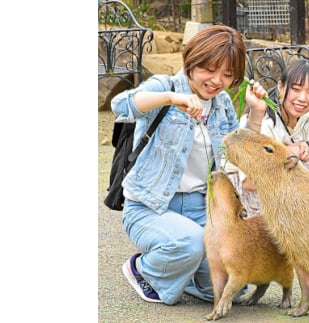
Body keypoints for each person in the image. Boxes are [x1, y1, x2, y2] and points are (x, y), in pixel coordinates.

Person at [110, 25, 268, 305]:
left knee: (228, 286)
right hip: (151, 206)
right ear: (193, 60)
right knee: (189, 243)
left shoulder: (221, 105)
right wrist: (171, 99)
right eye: (210, 69)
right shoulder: (166, 86)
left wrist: (256, 113)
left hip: (199, 206)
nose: (217, 80)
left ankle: (187, 277)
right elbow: (121, 105)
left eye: (228, 74)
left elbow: (238, 155)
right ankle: (142, 269)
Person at [224, 59, 309, 216]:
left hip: (277, 184)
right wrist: (288, 151)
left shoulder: (304, 116)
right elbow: (250, 182)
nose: (303, 98)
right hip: (243, 187)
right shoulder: (265, 121)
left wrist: (301, 148)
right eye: (296, 89)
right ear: (280, 87)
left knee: (305, 164)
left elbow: (303, 154)